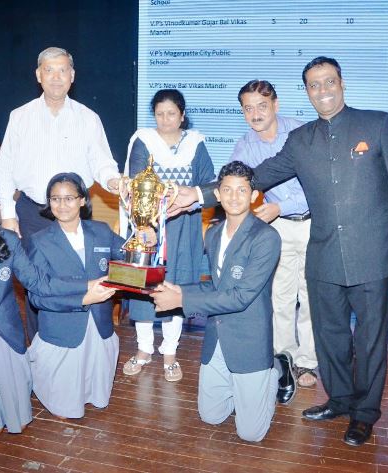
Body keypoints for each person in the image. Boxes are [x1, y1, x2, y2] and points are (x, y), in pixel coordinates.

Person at [168, 57, 388, 447]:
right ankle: (338, 399)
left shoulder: (377, 124)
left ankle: (365, 413)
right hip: (322, 254)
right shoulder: (301, 140)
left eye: (329, 82)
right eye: (314, 85)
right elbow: (259, 176)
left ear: (341, 83)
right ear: (307, 92)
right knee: (329, 334)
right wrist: (199, 195)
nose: (323, 90)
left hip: (372, 254)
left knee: (370, 339)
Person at [0, 174, 112, 438]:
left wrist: (86, 286)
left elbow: (40, 283)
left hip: (7, 335)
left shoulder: (9, 241)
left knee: (21, 425)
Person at [151, 161, 293, 442]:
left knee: (251, 434)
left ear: (254, 196)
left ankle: (276, 369)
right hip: (218, 335)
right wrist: (178, 288)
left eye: (242, 190)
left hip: (249, 337)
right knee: (211, 416)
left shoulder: (267, 237)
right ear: (217, 194)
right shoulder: (213, 233)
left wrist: (181, 299)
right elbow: (216, 286)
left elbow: (240, 296)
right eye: (227, 189)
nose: (234, 196)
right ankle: (239, 383)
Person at [0, 46, 121, 337]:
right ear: (38, 75)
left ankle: (86, 341)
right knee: (37, 284)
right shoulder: (20, 116)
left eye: (62, 70)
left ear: (72, 76)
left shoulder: (89, 117)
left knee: (84, 278)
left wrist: (114, 181)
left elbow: (102, 162)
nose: (56, 76)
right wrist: (8, 215)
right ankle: (42, 345)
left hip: (76, 214)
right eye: (49, 70)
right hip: (33, 214)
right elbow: (5, 170)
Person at [121, 89, 214, 382]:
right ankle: (144, 349)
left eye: (171, 113)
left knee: (176, 286)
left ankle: (170, 351)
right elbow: (137, 187)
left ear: (182, 115)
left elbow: (209, 185)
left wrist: (187, 199)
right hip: (148, 229)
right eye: (160, 114)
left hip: (184, 228)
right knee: (144, 289)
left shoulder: (196, 143)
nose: (165, 119)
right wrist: (145, 225)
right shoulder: (143, 141)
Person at [230, 80, 318, 390]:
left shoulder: (302, 133)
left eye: (261, 106)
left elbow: (318, 185)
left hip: (313, 224)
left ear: (276, 105)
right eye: (248, 108)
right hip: (276, 228)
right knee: (280, 296)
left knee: (310, 296)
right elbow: (239, 185)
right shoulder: (244, 145)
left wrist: (279, 205)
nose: (255, 114)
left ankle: (309, 362)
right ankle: (286, 359)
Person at [26, 172, 125, 419]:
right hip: (63, 327)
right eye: (55, 199)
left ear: (82, 200)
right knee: (64, 409)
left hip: (100, 324)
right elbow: (37, 297)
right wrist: (83, 298)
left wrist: (143, 239)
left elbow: (126, 258)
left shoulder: (101, 231)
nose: (62, 205)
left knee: (96, 395)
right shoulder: (38, 242)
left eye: (69, 198)